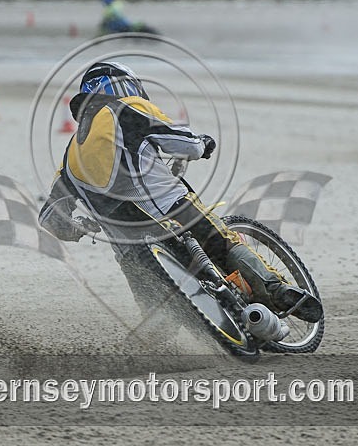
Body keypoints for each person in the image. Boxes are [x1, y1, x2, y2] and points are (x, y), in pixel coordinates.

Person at [38, 62, 322, 330]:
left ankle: (167, 330)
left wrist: (79, 228)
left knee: (158, 318)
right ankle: (275, 289)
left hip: (129, 248)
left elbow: (50, 218)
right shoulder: (127, 108)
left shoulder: (69, 156)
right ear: (124, 86)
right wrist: (202, 144)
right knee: (223, 244)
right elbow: (181, 141)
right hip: (171, 210)